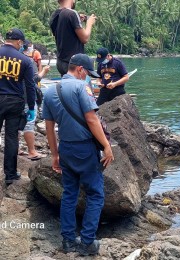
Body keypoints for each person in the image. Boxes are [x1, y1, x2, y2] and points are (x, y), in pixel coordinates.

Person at [42, 54, 114, 255]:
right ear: (80, 69)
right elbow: (92, 120)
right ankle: (87, 242)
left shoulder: (49, 91)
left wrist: (55, 155)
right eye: (87, 74)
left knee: (69, 194)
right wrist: (106, 146)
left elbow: (49, 128)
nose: (87, 78)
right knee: (95, 194)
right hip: (85, 149)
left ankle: (67, 241)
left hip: (65, 148)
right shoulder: (81, 87)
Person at [0, 28, 37, 185]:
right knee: (11, 137)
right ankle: (10, 174)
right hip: (15, 101)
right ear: (19, 42)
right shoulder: (25, 60)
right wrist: (31, 108)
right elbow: (30, 86)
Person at [49, 0, 97, 76]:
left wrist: (77, 19)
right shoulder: (72, 13)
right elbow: (85, 38)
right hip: (74, 64)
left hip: (61, 62)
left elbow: (66, 31)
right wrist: (89, 23)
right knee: (79, 86)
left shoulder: (54, 15)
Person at [20, 49, 51, 161]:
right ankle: (32, 151)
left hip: (14, 98)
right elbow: (34, 79)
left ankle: (16, 149)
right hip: (27, 98)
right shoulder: (28, 61)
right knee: (29, 124)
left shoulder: (11, 59)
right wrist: (44, 71)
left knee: (15, 124)